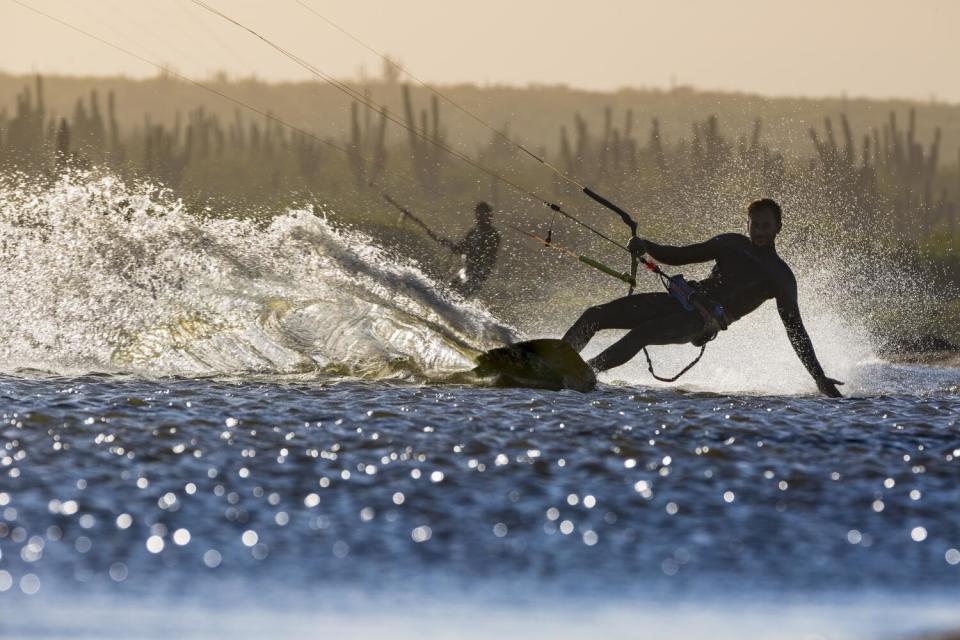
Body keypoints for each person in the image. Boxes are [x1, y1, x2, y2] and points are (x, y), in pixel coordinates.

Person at [560, 198, 844, 397]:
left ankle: (583, 374)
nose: (758, 231)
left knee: (642, 333)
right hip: (681, 300)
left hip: (699, 323)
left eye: (765, 226)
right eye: (754, 225)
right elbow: (682, 256)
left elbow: (795, 329)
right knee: (596, 314)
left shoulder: (780, 276)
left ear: (778, 228)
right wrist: (646, 245)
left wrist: (817, 376)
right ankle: (555, 362)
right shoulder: (731, 243)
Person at [443, 201, 501, 298]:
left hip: (479, 273)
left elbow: (487, 254)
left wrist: (469, 251)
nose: (479, 217)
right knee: (449, 288)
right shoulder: (473, 232)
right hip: (467, 270)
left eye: (482, 214)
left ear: (489, 216)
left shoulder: (493, 234)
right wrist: (448, 244)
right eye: (478, 214)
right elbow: (460, 249)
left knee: (461, 295)